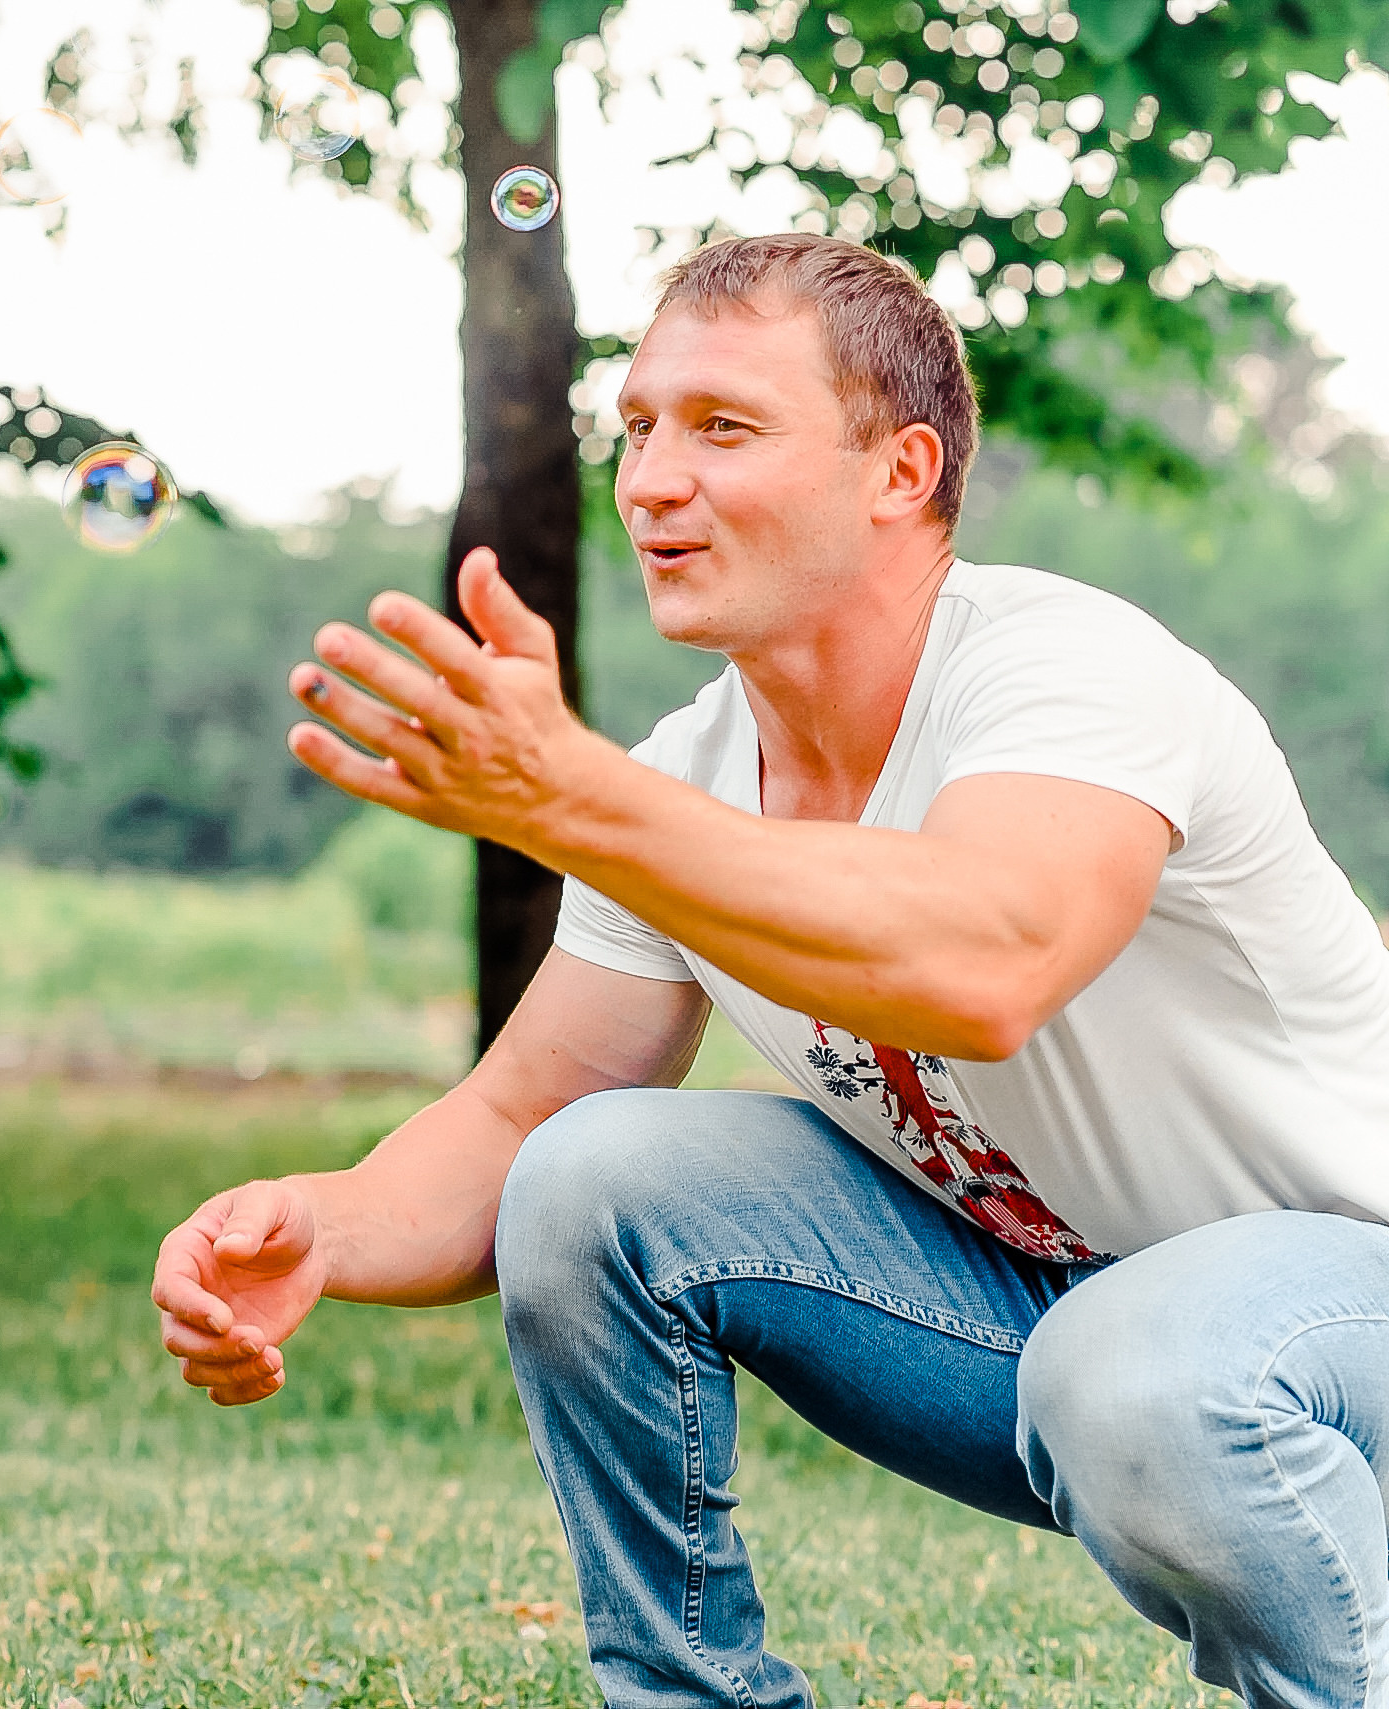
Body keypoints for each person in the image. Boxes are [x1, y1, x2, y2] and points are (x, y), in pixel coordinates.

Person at [151, 233, 1389, 1709]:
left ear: (900, 471)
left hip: (1330, 1308)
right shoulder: (690, 775)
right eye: (641, 429)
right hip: (1057, 1331)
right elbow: (519, 1118)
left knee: (1131, 1364)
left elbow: (985, 957)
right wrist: (324, 1225)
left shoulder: (1070, 672)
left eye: (723, 427)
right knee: (593, 1170)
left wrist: (572, 799)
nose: (654, 480)